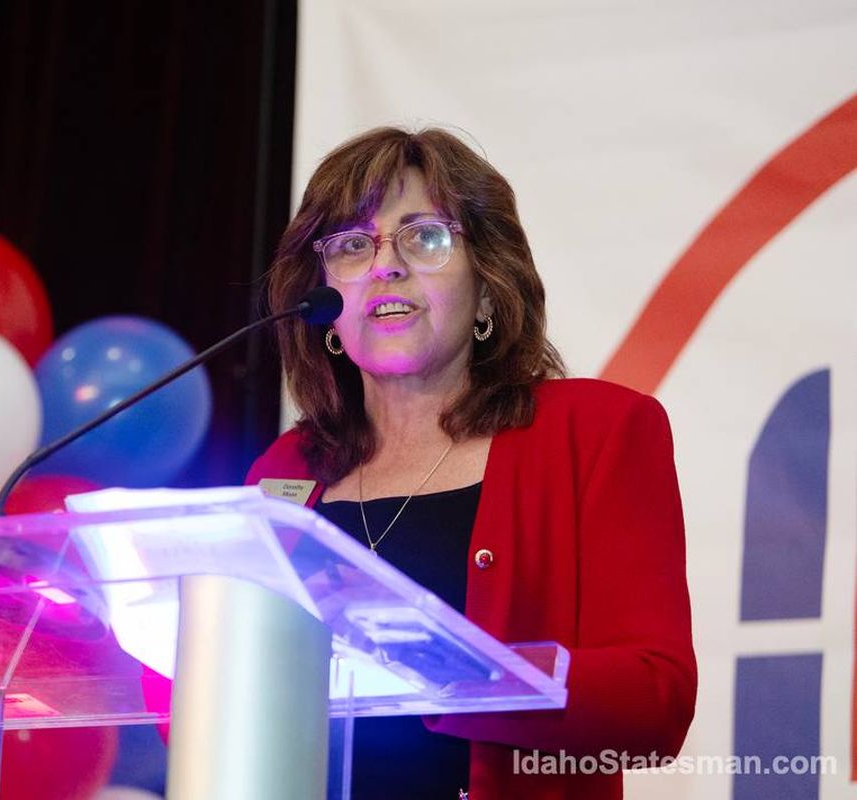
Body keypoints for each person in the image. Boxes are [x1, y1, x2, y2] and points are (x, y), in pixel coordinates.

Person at [246, 127, 696, 799]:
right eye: (350, 246)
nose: (384, 266)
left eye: (424, 237)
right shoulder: (287, 467)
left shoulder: (597, 433)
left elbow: (655, 700)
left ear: (488, 288)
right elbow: (205, 697)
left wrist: (445, 668)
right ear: (325, 310)